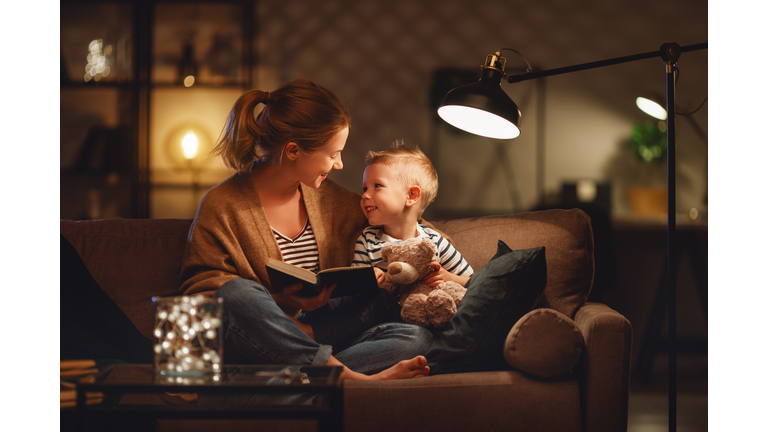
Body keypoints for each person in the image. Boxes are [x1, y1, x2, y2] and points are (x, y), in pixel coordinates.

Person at [179, 79, 432, 381]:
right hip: (259, 344)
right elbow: (204, 298)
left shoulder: (336, 201)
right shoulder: (222, 205)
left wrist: (439, 268)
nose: (339, 165)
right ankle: (347, 379)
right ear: (293, 150)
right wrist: (279, 300)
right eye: (332, 154)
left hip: (326, 334)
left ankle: (297, 379)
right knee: (235, 294)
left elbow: (409, 227)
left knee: (416, 338)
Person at [353, 140, 474, 287]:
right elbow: (353, 287)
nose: (365, 195)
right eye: (365, 188)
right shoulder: (367, 240)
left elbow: (474, 282)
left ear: (411, 195)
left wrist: (449, 278)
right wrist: (368, 278)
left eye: (377, 186)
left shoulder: (435, 242)